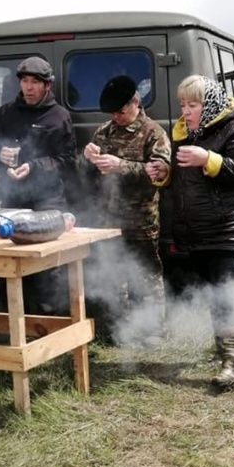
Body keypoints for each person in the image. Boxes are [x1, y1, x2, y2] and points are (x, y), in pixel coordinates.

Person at [166, 74, 234, 389]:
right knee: (212, 295)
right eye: (183, 104)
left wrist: (209, 159)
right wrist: (163, 173)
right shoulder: (185, 133)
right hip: (198, 231)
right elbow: (181, 180)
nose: (186, 111)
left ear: (211, 104)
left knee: (224, 295)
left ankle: (230, 364)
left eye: (193, 104)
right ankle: (223, 348)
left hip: (228, 229)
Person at [82, 75, 171, 344]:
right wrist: (87, 159)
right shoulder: (103, 132)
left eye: (121, 111)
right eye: (112, 113)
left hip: (141, 217)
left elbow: (161, 171)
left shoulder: (153, 132)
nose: (117, 117)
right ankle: (121, 328)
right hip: (109, 217)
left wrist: (121, 165)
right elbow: (89, 176)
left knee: (146, 274)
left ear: (136, 102)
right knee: (114, 272)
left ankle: (155, 329)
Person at [0, 56, 76, 315]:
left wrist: (35, 166)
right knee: (6, 255)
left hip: (47, 199)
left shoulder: (59, 116)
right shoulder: (7, 112)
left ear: (47, 86)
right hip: (13, 197)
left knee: (47, 264)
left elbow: (69, 161)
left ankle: (48, 321)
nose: (28, 87)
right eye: (25, 81)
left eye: (35, 82)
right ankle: (14, 316)